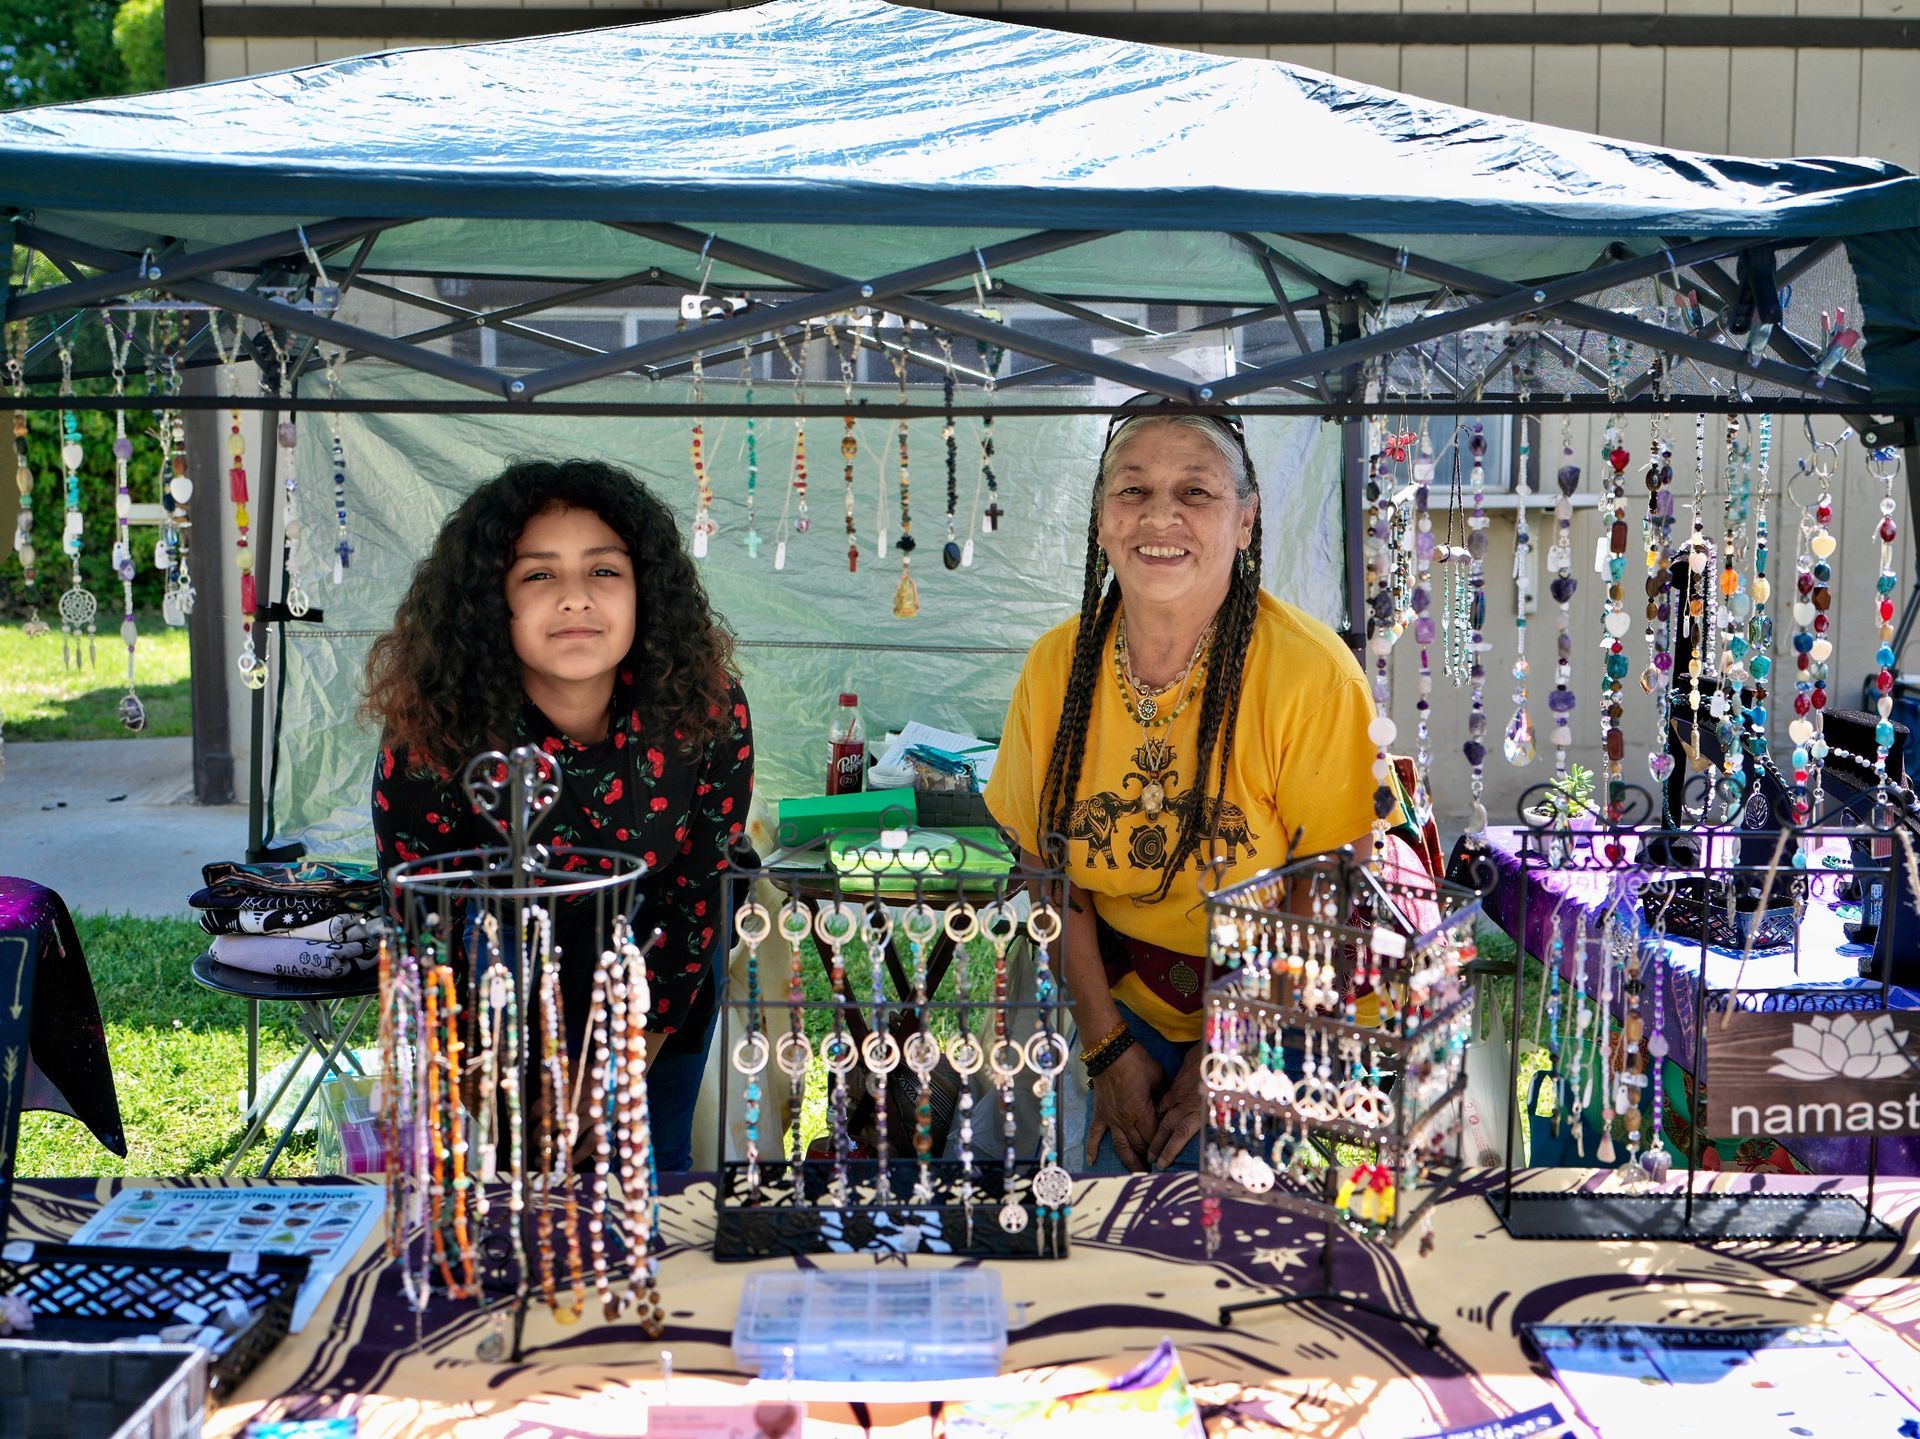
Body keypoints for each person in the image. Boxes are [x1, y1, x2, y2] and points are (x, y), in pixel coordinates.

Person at [985, 404, 1376, 1174]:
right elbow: (1047, 872)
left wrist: (1228, 1049)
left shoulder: (1312, 674)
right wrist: (1105, 1046)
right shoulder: (1055, 668)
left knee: (1215, 1237)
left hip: (1275, 1003)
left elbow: (1327, 891)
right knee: (1085, 1217)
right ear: (1101, 520)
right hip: (1108, 996)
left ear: (1246, 521)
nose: (1159, 515)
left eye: (1196, 492)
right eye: (1132, 491)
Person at [362, 458, 752, 1171]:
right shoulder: (434, 731)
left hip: (654, 997)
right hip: (492, 1008)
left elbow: (698, 899)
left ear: (645, 592)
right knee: (523, 1209)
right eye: (538, 574)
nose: (575, 598)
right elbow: (426, 930)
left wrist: (611, 1079)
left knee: (646, 1189)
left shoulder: (707, 709)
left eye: (604, 571)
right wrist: (509, 1099)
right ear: (491, 601)